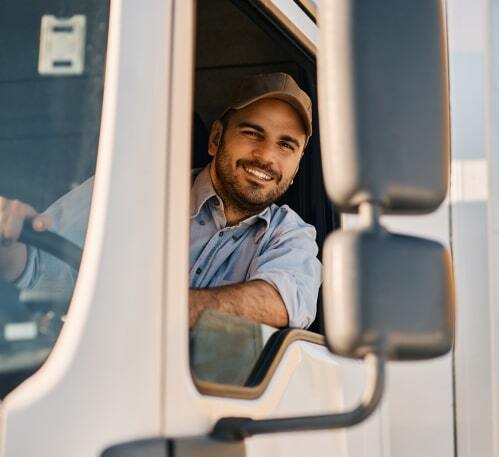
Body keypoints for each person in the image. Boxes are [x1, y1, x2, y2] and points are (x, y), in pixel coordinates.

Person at [0, 72, 321, 329]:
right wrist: (8, 243)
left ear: (295, 168)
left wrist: (140, 313)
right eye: (252, 133)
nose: (266, 156)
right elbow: (40, 267)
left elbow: (281, 302)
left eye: (286, 145)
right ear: (215, 139)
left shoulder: (292, 236)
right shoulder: (127, 189)